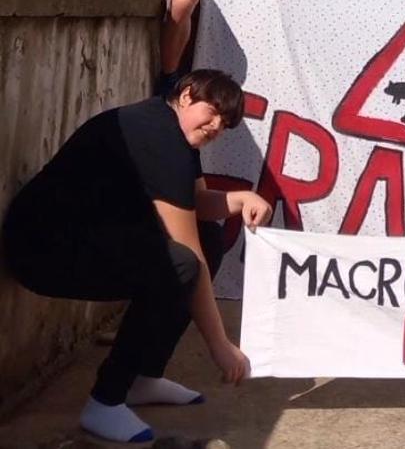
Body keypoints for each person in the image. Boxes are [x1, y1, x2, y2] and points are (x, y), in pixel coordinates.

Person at [1, 70, 272, 443]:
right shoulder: (159, 137)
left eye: (225, 124)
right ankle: (105, 400)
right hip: (41, 248)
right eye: (213, 112)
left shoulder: (175, 132)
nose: (215, 126)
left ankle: (144, 376)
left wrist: (238, 200)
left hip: (84, 236)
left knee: (205, 238)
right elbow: (189, 254)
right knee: (181, 264)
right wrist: (220, 346)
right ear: (188, 95)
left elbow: (193, 205)